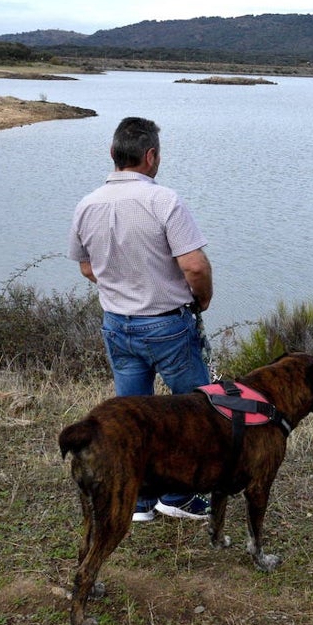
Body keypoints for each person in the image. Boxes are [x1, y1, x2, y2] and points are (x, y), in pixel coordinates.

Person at [68, 116, 214, 522]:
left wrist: (122, 283)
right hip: (166, 324)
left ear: (113, 154)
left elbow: (86, 268)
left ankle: (139, 503)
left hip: (117, 324)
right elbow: (195, 268)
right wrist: (201, 301)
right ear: (151, 156)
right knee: (195, 414)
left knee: (131, 418)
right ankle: (177, 497)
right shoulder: (164, 201)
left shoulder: (87, 204)